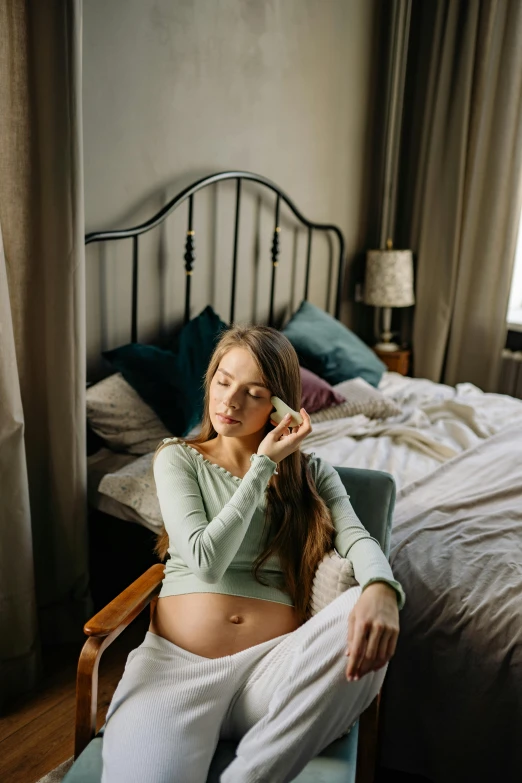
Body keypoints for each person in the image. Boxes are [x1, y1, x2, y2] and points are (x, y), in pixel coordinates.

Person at [101, 325, 404, 783]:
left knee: (363, 619)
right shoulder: (178, 458)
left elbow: (357, 538)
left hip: (273, 674)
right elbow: (206, 561)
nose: (230, 402)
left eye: (254, 393)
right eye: (223, 382)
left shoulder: (313, 475)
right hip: (175, 672)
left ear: (279, 404)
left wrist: (383, 589)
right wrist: (262, 466)